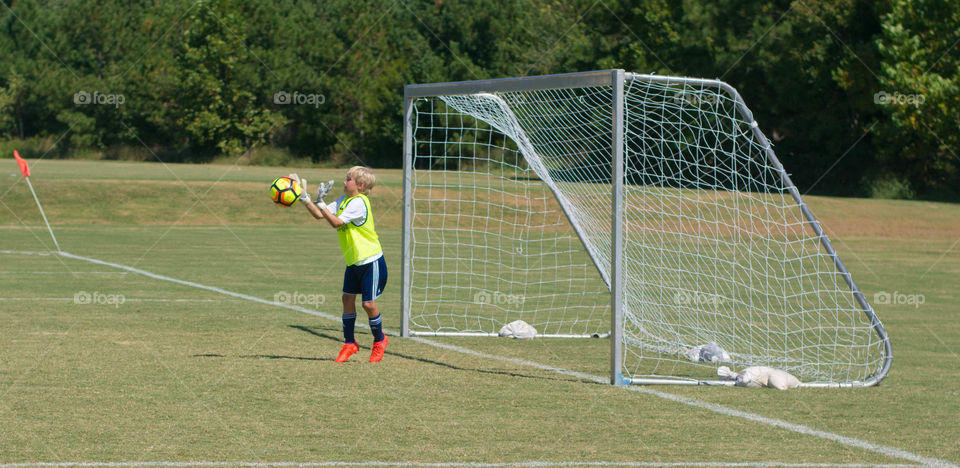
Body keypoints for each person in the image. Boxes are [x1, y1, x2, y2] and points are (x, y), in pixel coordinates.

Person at [289, 167, 388, 363]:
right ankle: (349, 343)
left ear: (360, 185)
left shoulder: (359, 203)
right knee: (347, 299)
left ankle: (380, 340)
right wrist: (305, 199)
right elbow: (320, 215)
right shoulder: (344, 200)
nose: (344, 182)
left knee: (368, 304)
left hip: (371, 260)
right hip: (354, 261)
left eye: (348, 179)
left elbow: (336, 223)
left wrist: (321, 203)